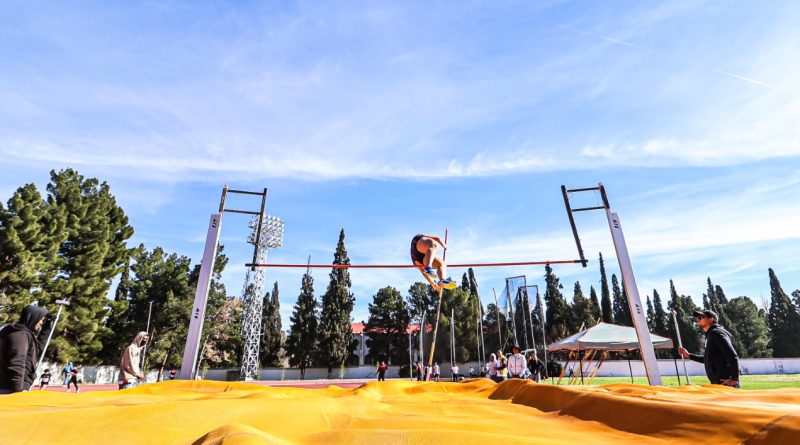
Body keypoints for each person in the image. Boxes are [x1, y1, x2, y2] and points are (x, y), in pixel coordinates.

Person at [678, 309, 740, 387]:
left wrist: (734, 379)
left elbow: (732, 355)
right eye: (698, 318)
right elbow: (709, 359)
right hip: (718, 382)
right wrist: (689, 356)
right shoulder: (710, 335)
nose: (698, 319)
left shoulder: (716, 333)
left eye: (701, 317)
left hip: (725, 382)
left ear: (711, 319)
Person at [0, 304, 48, 394]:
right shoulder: (20, 334)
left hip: (13, 386)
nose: (41, 322)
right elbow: (17, 362)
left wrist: (47, 328)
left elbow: (38, 350)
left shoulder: (21, 333)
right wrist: (18, 390)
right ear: (32, 317)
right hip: (11, 388)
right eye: (40, 319)